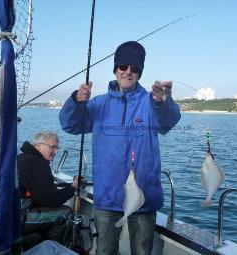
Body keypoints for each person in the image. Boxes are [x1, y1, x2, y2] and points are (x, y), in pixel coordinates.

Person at [59, 41, 181, 254]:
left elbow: (167, 122)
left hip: (144, 198)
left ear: (140, 73)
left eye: (134, 68)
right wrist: (76, 102)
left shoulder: (150, 102)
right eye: (123, 66)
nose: (128, 71)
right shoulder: (97, 104)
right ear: (115, 69)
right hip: (107, 197)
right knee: (105, 251)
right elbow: (70, 125)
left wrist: (163, 102)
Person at [18, 131, 78, 245]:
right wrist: (73, 187)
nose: (55, 152)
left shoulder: (24, 158)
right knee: (65, 213)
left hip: (11, 214)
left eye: (57, 148)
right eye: (53, 147)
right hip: (19, 218)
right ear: (38, 146)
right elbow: (52, 200)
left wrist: (68, 187)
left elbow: (42, 193)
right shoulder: (34, 163)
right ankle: (54, 250)